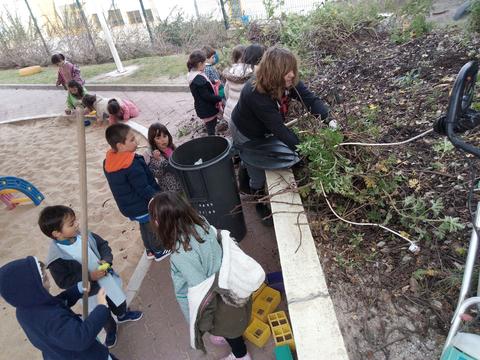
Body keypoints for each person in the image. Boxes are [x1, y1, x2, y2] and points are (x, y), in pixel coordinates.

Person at [148, 192, 256, 360]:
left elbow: (200, 292)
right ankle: (229, 338)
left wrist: (198, 322)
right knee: (231, 325)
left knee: (231, 331)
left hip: (219, 302)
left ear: (159, 222)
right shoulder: (200, 222)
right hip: (228, 285)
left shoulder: (181, 254)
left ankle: (242, 356)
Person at [230, 46, 332, 224]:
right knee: (258, 172)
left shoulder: (288, 81)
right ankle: (259, 201)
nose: (292, 74)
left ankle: (244, 167)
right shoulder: (255, 92)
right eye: (287, 70)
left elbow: (310, 100)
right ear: (273, 72)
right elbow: (280, 130)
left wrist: (330, 121)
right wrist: (305, 152)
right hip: (246, 132)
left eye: (293, 68)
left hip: (265, 127)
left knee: (255, 158)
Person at [38, 205, 143, 349]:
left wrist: (106, 260)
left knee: (117, 299)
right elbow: (64, 282)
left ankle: (122, 314)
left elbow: (102, 245)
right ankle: (111, 331)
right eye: (71, 224)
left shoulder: (83, 234)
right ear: (56, 233)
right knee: (102, 313)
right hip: (90, 292)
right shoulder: (56, 258)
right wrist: (89, 276)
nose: (77, 225)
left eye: (75, 221)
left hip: (106, 279)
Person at [0, 256, 119, 360]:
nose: (49, 282)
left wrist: (77, 289)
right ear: (30, 289)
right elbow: (80, 338)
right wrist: (101, 307)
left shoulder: (26, 309)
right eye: (45, 279)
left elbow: (57, 303)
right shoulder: (48, 318)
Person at [103, 123, 170, 262]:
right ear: (120, 146)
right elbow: (144, 188)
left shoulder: (109, 162)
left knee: (144, 225)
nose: (136, 142)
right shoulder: (132, 165)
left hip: (129, 206)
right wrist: (159, 197)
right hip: (142, 204)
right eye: (132, 140)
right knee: (153, 226)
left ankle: (149, 250)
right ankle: (159, 250)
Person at [222, 44, 265, 125]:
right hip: (244, 114)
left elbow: (226, 90)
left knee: (234, 134)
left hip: (230, 112)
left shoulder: (232, 69)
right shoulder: (258, 72)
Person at [187, 50, 223, 136]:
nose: (205, 65)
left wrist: (213, 81)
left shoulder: (193, 74)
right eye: (204, 63)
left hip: (202, 107)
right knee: (211, 126)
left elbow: (205, 82)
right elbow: (206, 96)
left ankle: (212, 137)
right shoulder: (198, 79)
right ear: (200, 64)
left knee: (210, 125)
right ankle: (212, 141)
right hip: (207, 109)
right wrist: (219, 98)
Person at [144, 123, 183, 192]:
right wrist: (158, 160)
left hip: (181, 184)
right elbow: (157, 174)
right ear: (153, 141)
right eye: (158, 138)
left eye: (164, 136)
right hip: (170, 190)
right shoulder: (154, 155)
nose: (163, 140)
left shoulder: (172, 148)